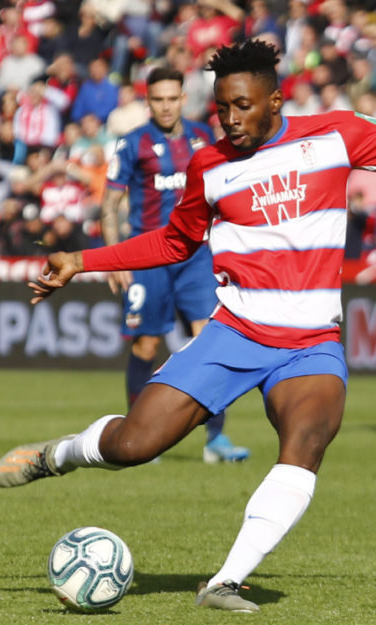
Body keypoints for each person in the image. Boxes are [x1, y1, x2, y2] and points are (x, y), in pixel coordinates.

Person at [0, 40, 376, 613]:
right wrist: (81, 260)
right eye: (221, 107)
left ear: (276, 100)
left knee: (307, 441)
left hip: (310, 344)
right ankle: (58, 454)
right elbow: (175, 241)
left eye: (242, 106)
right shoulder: (210, 165)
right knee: (133, 446)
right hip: (235, 333)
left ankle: (226, 580)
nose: (230, 119)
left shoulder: (335, 135)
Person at [101, 66, 248, 464]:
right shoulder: (131, 144)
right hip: (147, 256)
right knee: (146, 344)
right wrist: (115, 258)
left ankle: (215, 439)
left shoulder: (203, 138)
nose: (165, 106)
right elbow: (110, 203)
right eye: (157, 99)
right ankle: (138, 439)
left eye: (172, 98)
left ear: (183, 99)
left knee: (212, 341)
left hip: (196, 256)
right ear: (147, 102)